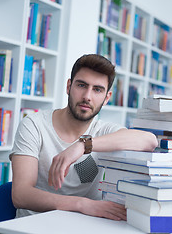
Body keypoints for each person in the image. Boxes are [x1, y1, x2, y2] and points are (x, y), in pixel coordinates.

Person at [10, 54, 158, 221]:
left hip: (84, 226)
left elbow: (150, 141)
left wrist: (83, 145)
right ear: (68, 86)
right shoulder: (34, 125)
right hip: (33, 225)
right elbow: (21, 195)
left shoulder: (104, 131)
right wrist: (82, 204)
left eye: (97, 89)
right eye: (81, 85)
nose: (87, 96)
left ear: (107, 97)